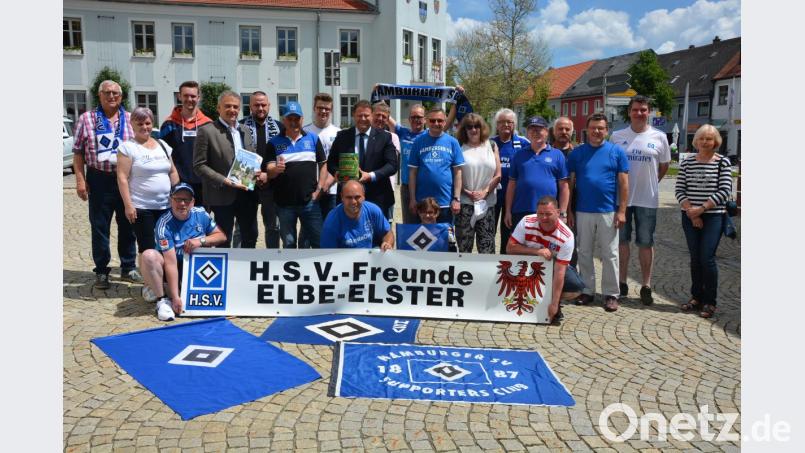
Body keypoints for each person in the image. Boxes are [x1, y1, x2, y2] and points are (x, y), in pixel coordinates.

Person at [72, 80, 140, 289]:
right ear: (99, 95)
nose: (112, 97)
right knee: (100, 226)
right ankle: (101, 270)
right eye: (107, 93)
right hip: (99, 178)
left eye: (116, 94)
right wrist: (80, 180)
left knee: (129, 224)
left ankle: (128, 266)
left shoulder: (130, 119)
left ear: (121, 97)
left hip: (125, 180)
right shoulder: (87, 119)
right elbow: (78, 152)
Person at [610, 95, 671, 304]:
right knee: (622, 242)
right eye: (635, 109)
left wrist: (652, 182)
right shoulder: (617, 136)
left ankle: (646, 284)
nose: (639, 113)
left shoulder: (660, 137)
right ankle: (622, 282)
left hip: (648, 199)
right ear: (629, 112)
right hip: (622, 200)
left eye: (643, 110)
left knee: (646, 242)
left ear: (649, 112)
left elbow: (663, 166)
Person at [567, 113, 629, 312]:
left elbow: (624, 183)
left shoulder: (616, 152)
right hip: (583, 210)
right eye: (593, 128)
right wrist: (568, 210)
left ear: (606, 130)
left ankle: (611, 294)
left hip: (608, 211)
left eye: (600, 128)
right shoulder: (577, 153)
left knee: (610, 253)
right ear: (587, 130)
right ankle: (587, 290)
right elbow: (570, 183)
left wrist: (622, 211)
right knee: (584, 252)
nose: (596, 131)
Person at [116, 107, 180, 300]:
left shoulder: (162, 145)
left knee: (166, 247)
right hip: (142, 207)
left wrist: (175, 194)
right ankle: (149, 285)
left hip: (165, 207)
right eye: (140, 123)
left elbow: (173, 172)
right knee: (147, 248)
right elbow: (122, 177)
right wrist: (128, 204)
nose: (144, 126)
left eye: (147, 123)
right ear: (132, 125)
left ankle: (164, 281)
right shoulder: (128, 147)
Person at [142, 183, 226, 321]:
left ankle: (163, 289)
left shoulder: (201, 214)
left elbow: (221, 236)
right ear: (171, 200)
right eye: (177, 199)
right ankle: (162, 300)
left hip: (195, 269)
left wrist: (201, 241)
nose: (182, 203)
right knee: (149, 255)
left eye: (186, 200)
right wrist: (176, 298)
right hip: (173, 266)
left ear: (192, 202)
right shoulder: (164, 223)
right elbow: (170, 263)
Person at [675, 124, 733, 319]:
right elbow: (679, 189)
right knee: (695, 258)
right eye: (702, 138)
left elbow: (724, 190)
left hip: (713, 216)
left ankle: (710, 301)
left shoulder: (722, 162)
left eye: (709, 138)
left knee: (707, 258)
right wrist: (692, 212)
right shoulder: (688, 162)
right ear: (696, 140)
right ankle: (696, 297)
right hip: (690, 215)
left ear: (715, 141)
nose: (705, 142)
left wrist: (701, 210)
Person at [193, 91, 259, 248]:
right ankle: (227, 271)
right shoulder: (207, 131)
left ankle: (246, 269)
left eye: (236, 107)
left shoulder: (246, 130)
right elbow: (199, 165)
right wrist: (224, 181)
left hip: (246, 193)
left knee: (250, 235)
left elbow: (251, 157)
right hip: (222, 195)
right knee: (223, 238)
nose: (232, 110)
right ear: (218, 108)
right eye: (227, 106)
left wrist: (257, 173)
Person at [507, 196, 585, 325]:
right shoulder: (526, 221)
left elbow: (560, 272)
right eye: (540, 213)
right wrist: (537, 251)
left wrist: (554, 303)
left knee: (575, 288)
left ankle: (554, 303)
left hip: (552, 268)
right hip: (524, 265)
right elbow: (510, 248)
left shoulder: (566, 236)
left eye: (548, 214)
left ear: (558, 213)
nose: (543, 218)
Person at [264, 101, 328, 248]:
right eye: (289, 118)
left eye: (296, 118)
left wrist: (319, 189)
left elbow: (323, 164)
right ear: (283, 120)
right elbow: (269, 170)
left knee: (319, 241)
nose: (293, 122)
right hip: (284, 204)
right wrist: (276, 169)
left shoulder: (313, 139)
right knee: (289, 244)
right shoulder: (273, 142)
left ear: (302, 119)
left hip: (309, 202)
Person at [327, 100, 398, 221]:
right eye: (360, 115)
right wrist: (337, 173)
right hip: (349, 198)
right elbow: (331, 162)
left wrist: (371, 176)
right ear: (354, 116)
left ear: (372, 115)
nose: (363, 118)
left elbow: (392, 165)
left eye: (366, 115)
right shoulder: (342, 136)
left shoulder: (385, 137)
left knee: (377, 236)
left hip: (378, 197)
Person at [504, 116, 569, 238]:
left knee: (546, 248)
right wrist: (508, 211)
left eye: (539, 130)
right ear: (527, 133)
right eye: (532, 130)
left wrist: (563, 213)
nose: (535, 133)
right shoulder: (519, 155)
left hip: (548, 212)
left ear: (546, 132)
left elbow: (564, 187)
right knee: (521, 248)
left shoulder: (557, 155)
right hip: (521, 210)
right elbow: (512, 185)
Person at [159, 80, 212, 207]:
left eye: (193, 96)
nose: (190, 99)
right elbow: (163, 155)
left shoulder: (208, 124)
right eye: (186, 95)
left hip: (203, 184)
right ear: (179, 96)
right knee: (180, 218)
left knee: (201, 219)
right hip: (178, 182)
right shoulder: (169, 124)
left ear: (198, 98)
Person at [408, 107, 465, 223]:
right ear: (427, 121)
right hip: (423, 203)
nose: (436, 123)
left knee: (445, 238)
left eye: (440, 120)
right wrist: (412, 199)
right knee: (423, 238)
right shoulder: (418, 142)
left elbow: (458, 172)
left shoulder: (452, 142)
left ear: (445, 121)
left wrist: (457, 198)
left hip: (445, 202)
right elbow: (412, 173)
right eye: (432, 120)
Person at [242, 91, 283, 248]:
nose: (260, 108)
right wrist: (253, 175)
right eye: (256, 105)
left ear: (269, 106)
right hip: (246, 183)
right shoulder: (241, 126)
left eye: (263, 105)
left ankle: (272, 260)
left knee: (273, 227)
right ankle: (243, 261)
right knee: (244, 227)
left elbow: (282, 156)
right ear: (250, 106)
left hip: (272, 184)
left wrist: (268, 175)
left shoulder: (279, 128)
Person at [454, 113, 501, 254]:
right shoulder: (458, 146)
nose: (473, 130)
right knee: (464, 247)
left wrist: (485, 192)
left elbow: (498, 175)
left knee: (487, 248)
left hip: (487, 204)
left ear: (482, 128)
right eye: (469, 127)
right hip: (465, 205)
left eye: (477, 126)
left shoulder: (491, 145)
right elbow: (455, 174)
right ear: (464, 129)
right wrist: (467, 192)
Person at [491, 108, 530, 253]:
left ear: (514, 124)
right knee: (489, 232)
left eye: (509, 122)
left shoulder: (523, 143)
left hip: (514, 197)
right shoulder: (490, 143)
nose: (505, 125)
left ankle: (505, 263)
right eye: (502, 122)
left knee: (509, 232)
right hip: (493, 195)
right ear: (497, 124)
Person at [321, 180, 394, 250]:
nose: (353, 202)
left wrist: (387, 243)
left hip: (370, 257)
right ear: (342, 197)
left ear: (363, 197)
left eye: (357, 197)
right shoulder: (332, 221)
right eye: (349, 197)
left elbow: (387, 233)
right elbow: (328, 255)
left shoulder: (373, 210)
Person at [388, 104, 428, 224]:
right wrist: (379, 94)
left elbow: (445, 124)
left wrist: (455, 101)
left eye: (419, 117)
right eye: (413, 117)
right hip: (406, 185)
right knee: (409, 224)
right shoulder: (402, 133)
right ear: (409, 119)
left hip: (425, 185)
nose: (416, 120)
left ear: (425, 119)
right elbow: (386, 115)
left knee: (427, 222)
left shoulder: (430, 135)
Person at [303, 93, 340, 221]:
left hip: (332, 189)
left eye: (327, 108)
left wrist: (328, 183)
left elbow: (340, 162)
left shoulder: (338, 133)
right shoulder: (304, 132)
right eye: (320, 108)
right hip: (310, 190)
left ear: (331, 110)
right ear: (314, 108)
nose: (323, 111)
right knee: (308, 229)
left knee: (330, 225)